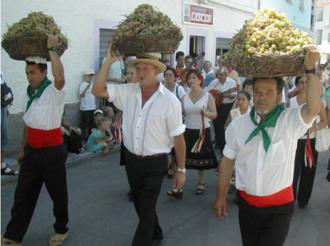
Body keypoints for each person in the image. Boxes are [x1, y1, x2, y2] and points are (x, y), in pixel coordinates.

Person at [214, 47, 321, 246]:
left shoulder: (290, 121)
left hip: (279, 209)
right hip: (246, 206)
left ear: (279, 96)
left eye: (269, 92)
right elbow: (228, 161)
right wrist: (220, 196)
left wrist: (311, 70)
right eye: (258, 92)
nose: (262, 97)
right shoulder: (238, 125)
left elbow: (314, 108)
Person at [92, 45, 186, 246]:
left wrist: (181, 169)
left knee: (147, 206)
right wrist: (108, 61)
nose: (141, 73)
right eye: (138, 69)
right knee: (141, 206)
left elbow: (178, 138)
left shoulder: (171, 102)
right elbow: (97, 89)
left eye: (146, 69)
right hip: (132, 160)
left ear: (157, 71)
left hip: (156, 163)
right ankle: (157, 232)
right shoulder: (128, 92)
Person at [2, 35, 69, 246]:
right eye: (27, 73)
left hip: (52, 151)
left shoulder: (53, 90)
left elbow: (60, 78)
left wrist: (52, 50)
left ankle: (61, 228)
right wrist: (22, 149)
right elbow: (27, 124)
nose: (29, 77)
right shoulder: (29, 93)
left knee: (58, 194)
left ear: (43, 72)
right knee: (23, 195)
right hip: (32, 151)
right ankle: (13, 236)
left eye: (32, 72)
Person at [168, 69, 217, 198]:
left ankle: (201, 183)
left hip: (202, 131)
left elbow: (214, 114)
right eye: (189, 78)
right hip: (187, 130)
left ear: (200, 80)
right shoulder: (184, 97)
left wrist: (206, 114)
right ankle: (178, 187)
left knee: (201, 160)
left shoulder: (208, 96)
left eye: (194, 78)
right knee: (180, 159)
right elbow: (180, 113)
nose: (191, 80)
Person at [291, 76, 328, 209]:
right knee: (291, 172)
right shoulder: (290, 101)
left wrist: (313, 128)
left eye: (307, 82)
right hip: (293, 142)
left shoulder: (317, 103)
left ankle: (303, 200)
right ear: (296, 85)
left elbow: (325, 122)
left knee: (308, 171)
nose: (304, 85)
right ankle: (290, 199)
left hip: (310, 143)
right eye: (301, 82)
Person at [207, 68, 237, 153]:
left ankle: (224, 143)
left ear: (226, 75)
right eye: (218, 75)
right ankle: (217, 142)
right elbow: (208, 93)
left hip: (227, 106)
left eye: (221, 75)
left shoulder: (231, 82)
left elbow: (233, 96)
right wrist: (215, 96)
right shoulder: (213, 82)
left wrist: (224, 95)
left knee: (225, 125)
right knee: (216, 124)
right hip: (216, 105)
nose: (219, 77)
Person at [163, 66, 185, 179]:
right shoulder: (161, 88)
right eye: (166, 75)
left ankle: (174, 165)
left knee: (176, 143)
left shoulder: (179, 89)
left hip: (176, 121)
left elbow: (183, 105)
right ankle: (170, 164)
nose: (168, 77)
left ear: (175, 77)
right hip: (164, 121)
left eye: (170, 75)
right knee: (167, 143)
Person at [1, 72, 18, 176]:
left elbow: (3, 88)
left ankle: (2, 166)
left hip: (2, 106)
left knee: (3, 137)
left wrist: (6, 107)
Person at [79, 69, 96, 140]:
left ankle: (91, 138)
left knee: (92, 124)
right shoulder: (83, 84)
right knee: (85, 124)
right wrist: (87, 87)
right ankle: (84, 138)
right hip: (85, 108)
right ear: (85, 76)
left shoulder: (93, 84)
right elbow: (81, 95)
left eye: (92, 76)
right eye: (89, 76)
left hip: (92, 107)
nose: (91, 77)